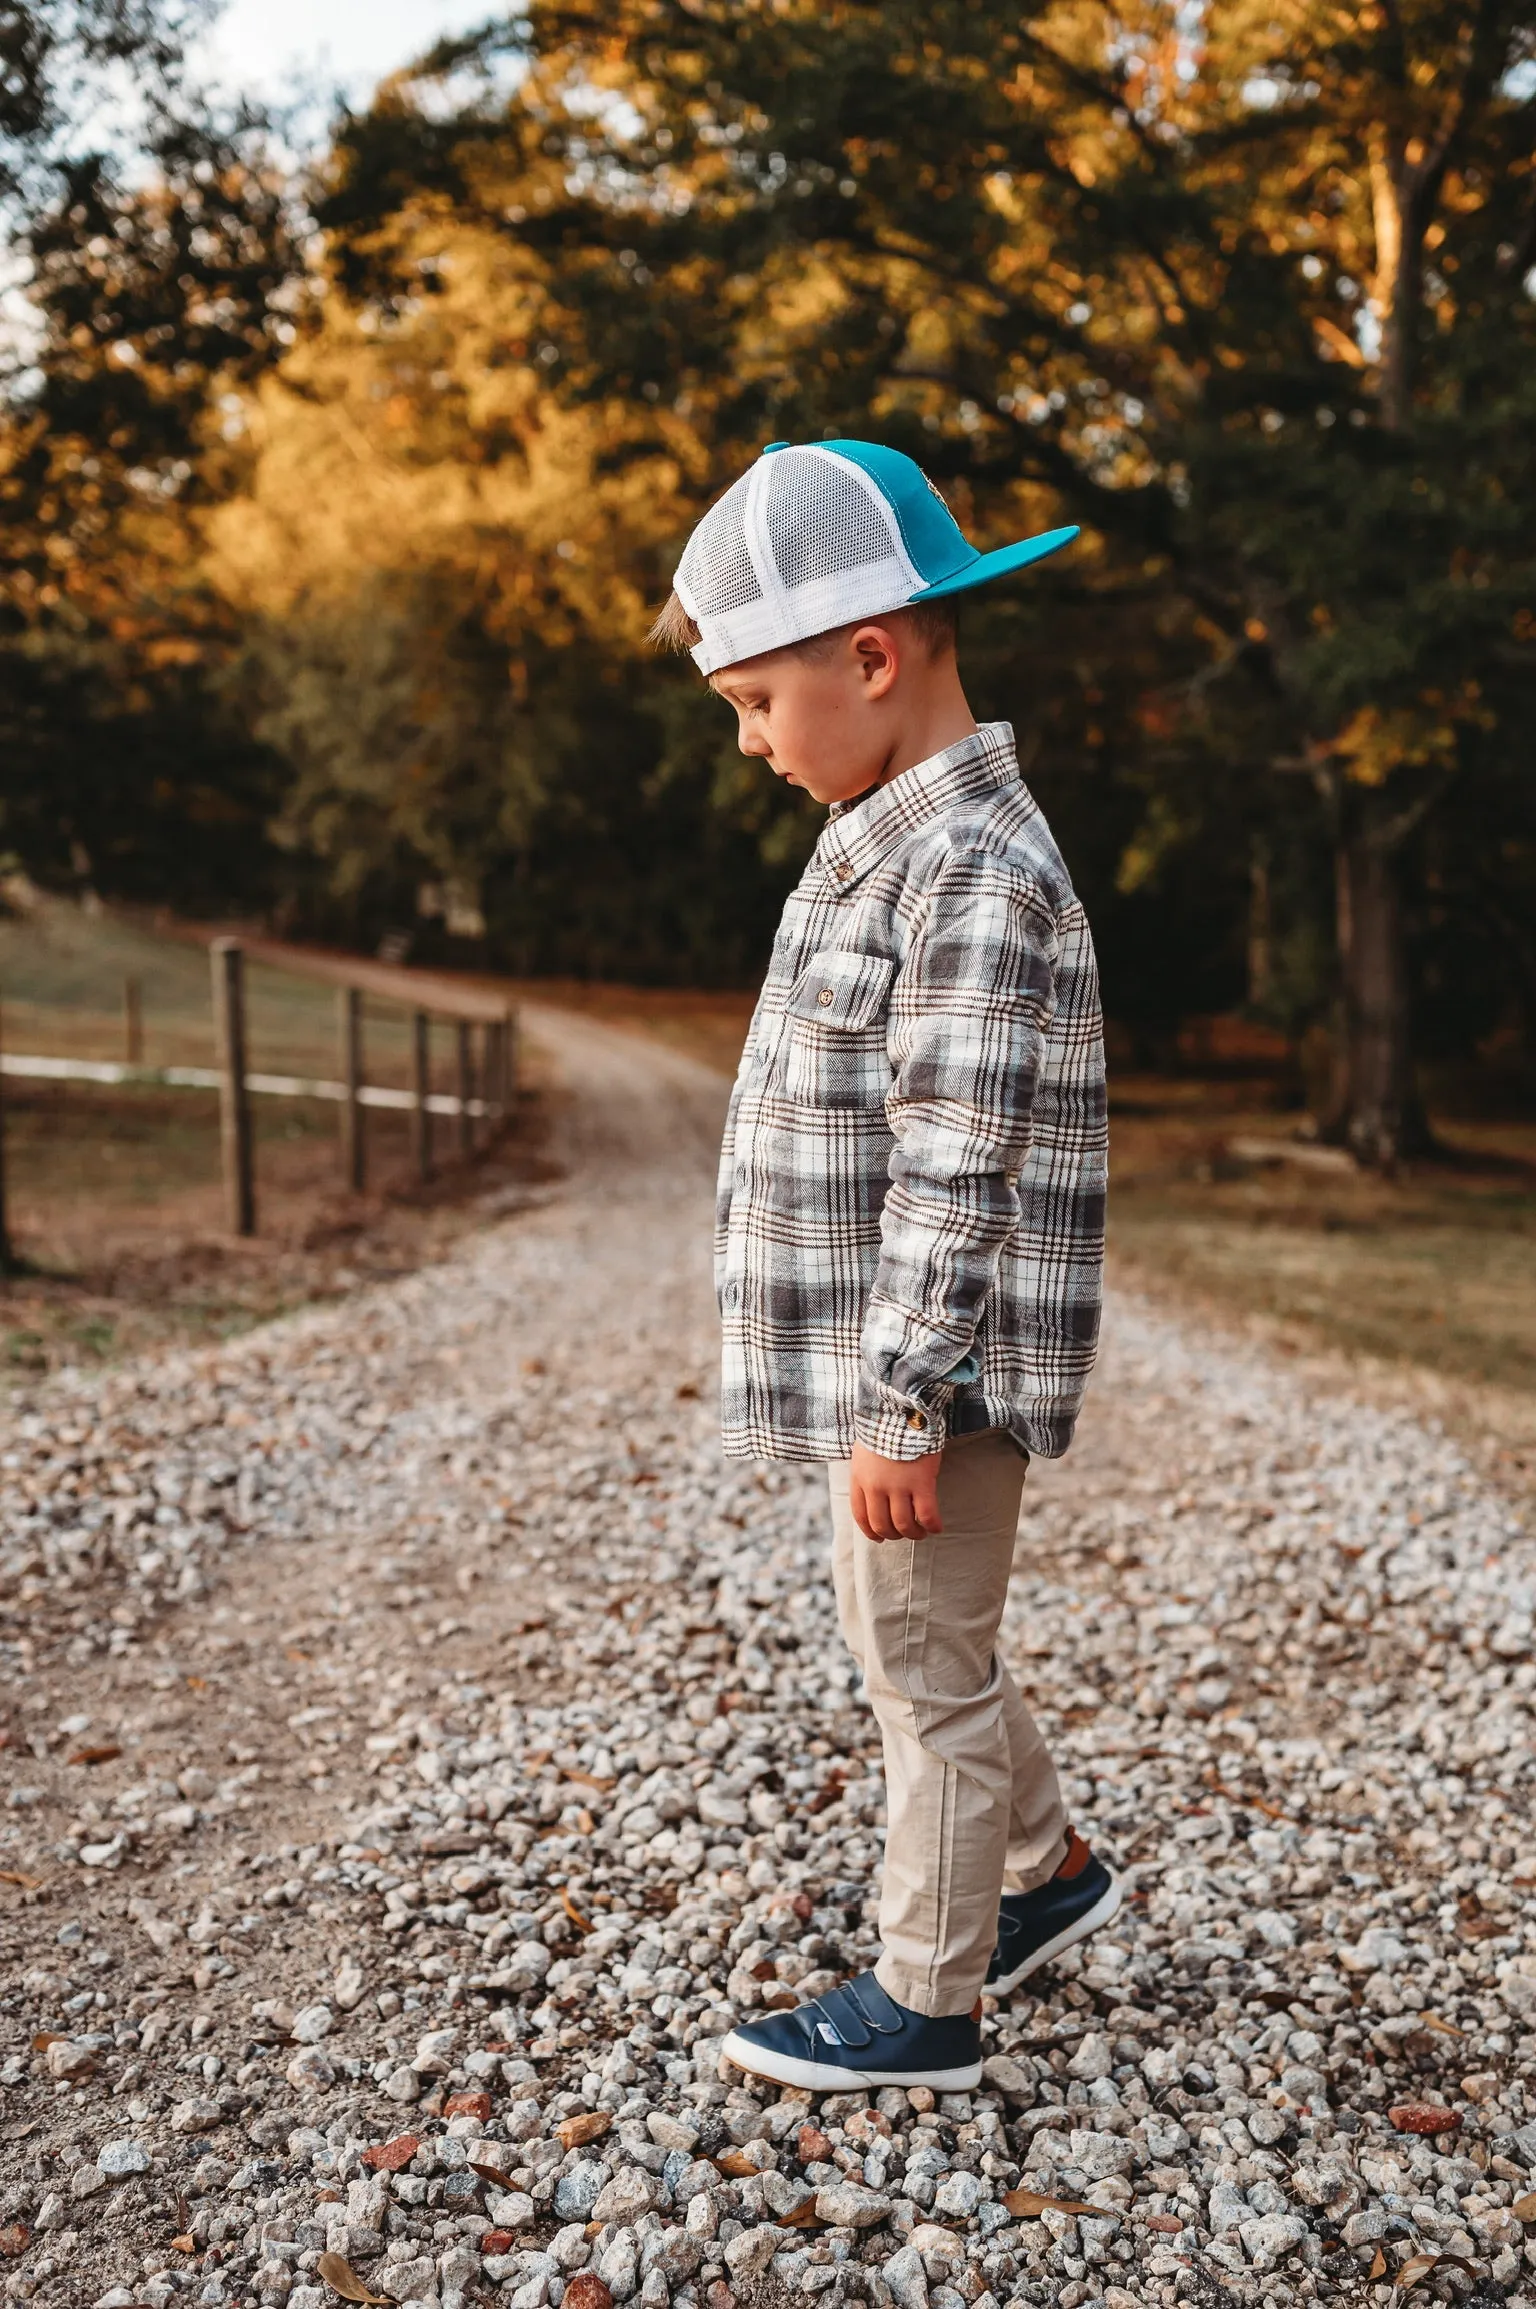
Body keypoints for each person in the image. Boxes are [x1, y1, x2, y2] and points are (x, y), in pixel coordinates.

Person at [651, 440, 1117, 2093]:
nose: (752, 744)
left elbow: (955, 1160)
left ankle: (930, 1999)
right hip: (904, 1371)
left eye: (755, 704)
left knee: (918, 1669)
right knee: (929, 1640)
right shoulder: (887, 835)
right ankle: (1050, 1875)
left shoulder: (972, 867)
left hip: (941, 1376)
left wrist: (901, 1400)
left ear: (869, 657)